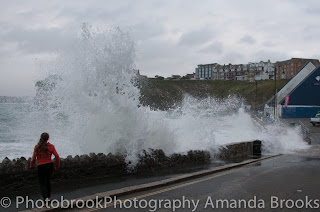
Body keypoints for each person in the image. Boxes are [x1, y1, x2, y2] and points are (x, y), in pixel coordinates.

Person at [30, 132, 60, 203]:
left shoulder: (37, 147)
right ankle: (49, 198)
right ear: (48, 139)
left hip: (41, 166)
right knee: (48, 182)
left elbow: (33, 159)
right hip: (49, 165)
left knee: (42, 184)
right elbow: (57, 156)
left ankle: (45, 201)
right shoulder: (51, 146)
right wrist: (57, 167)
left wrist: (31, 166)